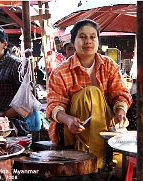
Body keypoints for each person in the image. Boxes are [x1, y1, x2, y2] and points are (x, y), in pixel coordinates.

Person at [46, 19, 132, 169]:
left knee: (95, 94)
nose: (88, 41)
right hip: (73, 129)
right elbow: (54, 105)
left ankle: (97, 162)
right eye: (82, 37)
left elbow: (120, 93)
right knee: (90, 93)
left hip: (105, 125)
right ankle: (98, 165)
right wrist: (68, 120)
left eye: (93, 37)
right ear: (73, 41)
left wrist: (120, 113)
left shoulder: (110, 65)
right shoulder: (60, 71)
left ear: (98, 41)